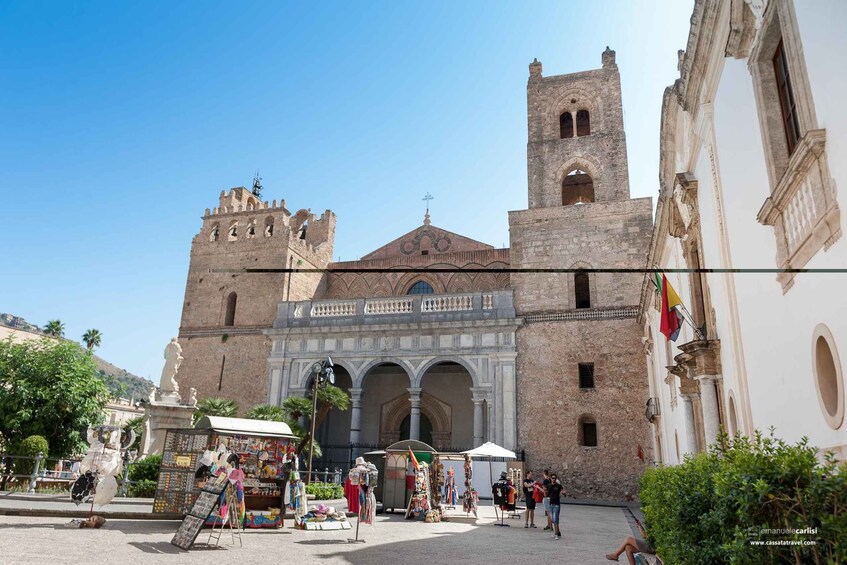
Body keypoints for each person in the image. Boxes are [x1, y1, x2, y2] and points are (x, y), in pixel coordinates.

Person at [547, 472, 565, 540]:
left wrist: (563, 493)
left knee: (555, 519)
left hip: (557, 504)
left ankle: (556, 534)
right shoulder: (549, 486)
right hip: (551, 504)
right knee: (553, 519)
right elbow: (547, 494)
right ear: (551, 479)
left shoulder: (558, 486)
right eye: (552, 478)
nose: (553, 479)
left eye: (554, 478)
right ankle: (558, 532)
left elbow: (563, 491)